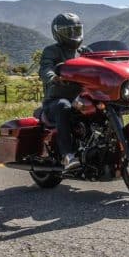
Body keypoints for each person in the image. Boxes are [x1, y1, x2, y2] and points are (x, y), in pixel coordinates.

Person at [38, 13, 86, 171]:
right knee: (63, 106)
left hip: (80, 98)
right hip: (54, 101)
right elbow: (46, 67)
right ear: (58, 33)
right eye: (68, 32)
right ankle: (67, 155)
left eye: (76, 30)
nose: (74, 35)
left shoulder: (84, 52)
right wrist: (53, 77)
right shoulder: (51, 51)